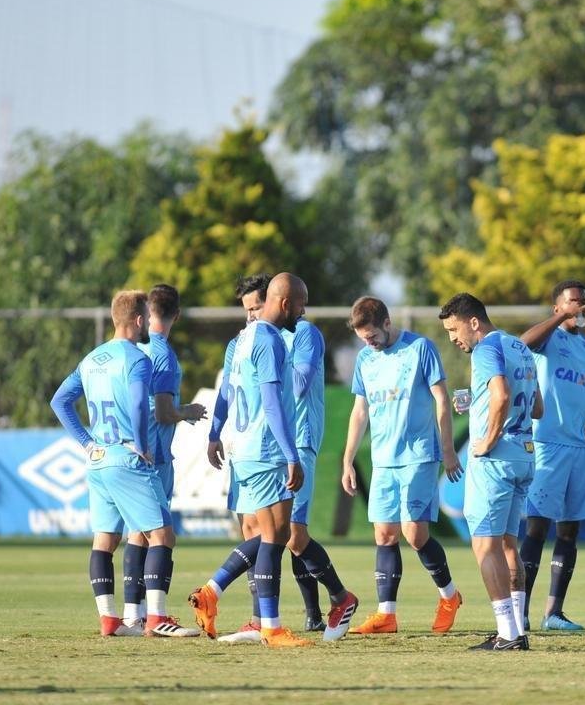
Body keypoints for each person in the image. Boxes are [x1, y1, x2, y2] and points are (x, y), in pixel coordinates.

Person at [50, 290, 200, 638]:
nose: (148, 322)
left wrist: (87, 442)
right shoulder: (137, 359)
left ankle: (110, 621)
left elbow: (59, 401)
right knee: (162, 534)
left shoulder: (91, 359)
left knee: (104, 540)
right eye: (145, 317)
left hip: (98, 459)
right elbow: (136, 404)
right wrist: (143, 445)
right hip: (127, 458)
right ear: (137, 320)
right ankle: (156, 618)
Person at [188, 273, 309, 647]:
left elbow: (224, 394)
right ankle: (268, 626)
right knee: (276, 536)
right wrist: (292, 455)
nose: (303, 312)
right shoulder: (270, 340)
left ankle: (239, 607)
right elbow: (272, 404)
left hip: (241, 450)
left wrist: (213, 435)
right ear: (285, 303)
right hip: (266, 449)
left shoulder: (239, 340)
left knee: (264, 535)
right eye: (301, 304)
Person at [342, 297, 464, 635]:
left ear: (386, 323)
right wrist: (348, 459)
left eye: (372, 335)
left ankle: (449, 596)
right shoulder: (365, 359)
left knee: (414, 533)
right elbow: (360, 411)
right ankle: (386, 615)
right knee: (384, 533)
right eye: (362, 338)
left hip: (419, 455)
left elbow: (441, 400)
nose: (369, 343)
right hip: (383, 460)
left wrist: (448, 449)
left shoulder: (420, 349)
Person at [439, 292, 543, 651]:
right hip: (525, 454)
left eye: (454, 329)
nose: (453, 338)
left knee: (485, 545)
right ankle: (516, 628)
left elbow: (500, 395)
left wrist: (487, 438)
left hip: (496, 459)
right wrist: (477, 402)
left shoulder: (485, 349)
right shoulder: (520, 347)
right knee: (507, 544)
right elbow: (538, 407)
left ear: (473, 322)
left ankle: (508, 634)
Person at [120, 284, 208, 633]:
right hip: (153, 457)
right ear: (178, 314)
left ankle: (132, 613)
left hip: (123, 453)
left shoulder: (128, 347)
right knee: (161, 536)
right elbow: (163, 411)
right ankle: (156, 617)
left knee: (136, 535)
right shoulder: (163, 355)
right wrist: (190, 410)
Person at [517, 280, 585, 632]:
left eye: (583, 301)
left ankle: (553, 613)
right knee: (537, 528)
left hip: (579, 448)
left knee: (570, 531)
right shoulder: (548, 339)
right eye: (572, 302)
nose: (580, 306)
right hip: (548, 445)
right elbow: (524, 343)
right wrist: (559, 319)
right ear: (557, 308)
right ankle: (518, 611)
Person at [280, 279, 359, 641]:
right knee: (271, 530)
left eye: (255, 308)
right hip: (266, 447)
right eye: (247, 310)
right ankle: (299, 615)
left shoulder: (304, 334)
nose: (251, 317)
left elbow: (296, 386)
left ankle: (342, 598)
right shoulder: (254, 337)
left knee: (293, 534)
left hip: (298, 442)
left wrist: (265, 366)